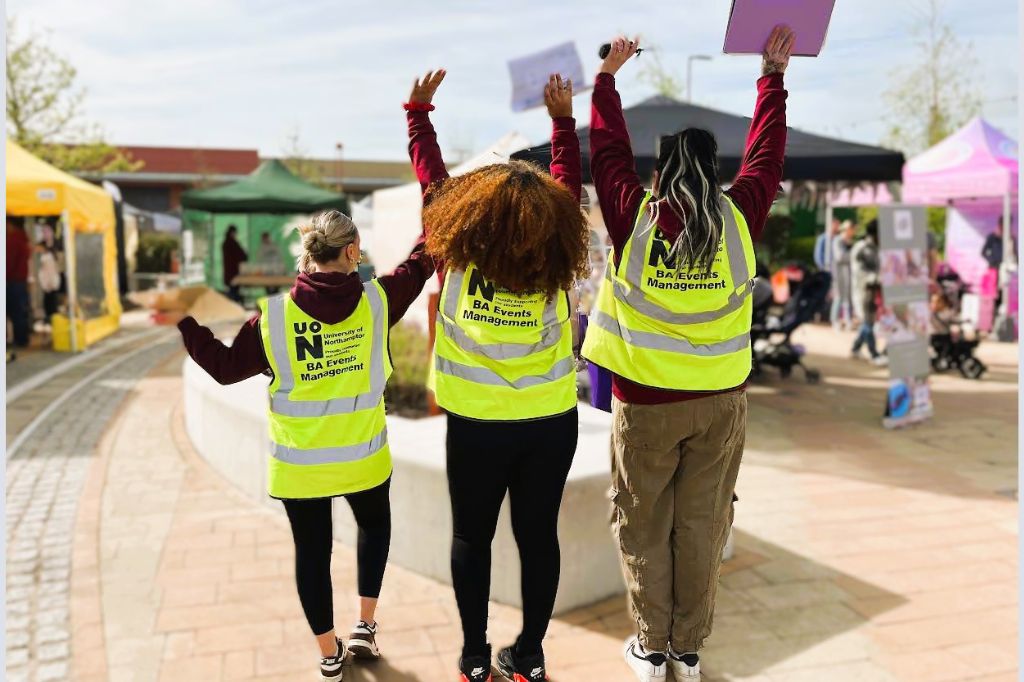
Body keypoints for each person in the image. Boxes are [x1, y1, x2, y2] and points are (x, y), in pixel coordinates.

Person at [580, 26, 794, 682]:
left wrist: (608, 81)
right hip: (720, 404)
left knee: (644, 525)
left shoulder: (634, 217)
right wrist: (772, 78)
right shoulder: (740, 216)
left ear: (660, 174)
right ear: (713, 173)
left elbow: (607, 156)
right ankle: (689, 650)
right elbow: (766, 158)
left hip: (645, 406)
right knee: (701, 525)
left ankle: (650, 648)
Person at [177, 210, 434, 682]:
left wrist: (187, 324)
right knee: (373, 531)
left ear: (310, 251)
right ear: (353, 252)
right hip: (365, 459)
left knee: (312, 555)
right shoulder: (379, 300)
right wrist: (437, 210)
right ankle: (365, 627)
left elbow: (226, 367)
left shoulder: (273, 317)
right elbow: (421, 263)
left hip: (301, 469)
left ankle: (329, 656)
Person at [406, 69, 588, 682]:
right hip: (549, 423)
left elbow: (433, 184)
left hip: (477, 425)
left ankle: (474, 656)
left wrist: (419, 114)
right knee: (538, 537)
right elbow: (569, 187)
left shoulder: (455, 257)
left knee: (472, 537)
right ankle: (530, 655)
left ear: (473, 213)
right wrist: (562, 123)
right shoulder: (559, 261)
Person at [850, 220, 885, 365]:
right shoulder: (862, 248)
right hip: (863, 290)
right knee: (868, 322)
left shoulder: (877, 248)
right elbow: (859, 271)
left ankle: (856, 347)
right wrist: (877, 278)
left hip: (874, 291)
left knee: (868, 321)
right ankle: (874, 353)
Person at [7, 217, 32, 348]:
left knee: (13, 312)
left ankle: (19, 340)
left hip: (11, 282)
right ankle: (22, 339)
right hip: (20, 281)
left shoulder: (12, 240)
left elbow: (8, 263)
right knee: (20, 313)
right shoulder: (24, 239)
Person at [830, 220, 856, 329]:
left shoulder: (849, 242)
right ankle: (834, 320)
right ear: (846, 229)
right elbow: (839, 256)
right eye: (851, 229)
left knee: (848, 298)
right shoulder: (837, 241)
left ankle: (848, 320)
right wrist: (854, 255)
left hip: (849, 274)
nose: (853, 232)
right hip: (839, 274)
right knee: (839, 297)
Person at [36, 240, 62, 324]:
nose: (36, 249)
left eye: (38, 247)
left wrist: (48, 284)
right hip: (49, 284)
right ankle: (52, 320)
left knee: (49, 304)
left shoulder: (47, 257)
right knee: (50, 303)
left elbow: (50, 272)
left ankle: (52, 321)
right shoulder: (46, 256)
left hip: (50, 285)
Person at [222, 225, 248, 303]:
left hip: (229, 272)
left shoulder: (225, 243)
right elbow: (243, 256)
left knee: (233, 290)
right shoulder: (232, 243)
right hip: (233, 272)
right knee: (234, 292)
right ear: (232, 233)